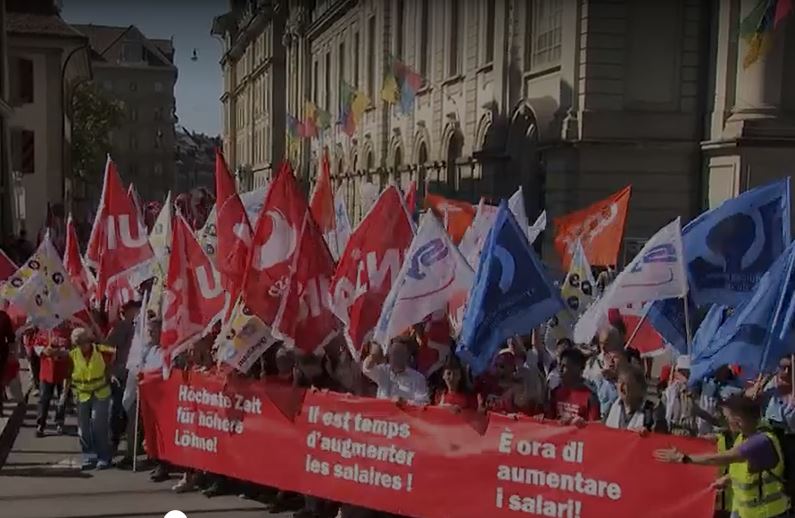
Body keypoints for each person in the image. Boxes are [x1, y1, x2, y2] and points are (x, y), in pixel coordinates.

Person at [655, 394, 791, 518]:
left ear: (738, 421)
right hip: (748, 513)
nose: (725, 421)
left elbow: (724, 457)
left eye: (727, 418)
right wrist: (727, 479)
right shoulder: (744, 436)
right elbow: (747, 471)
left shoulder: (760, 442)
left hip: (770, 514)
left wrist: (683, 458)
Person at [65, 327, 115, 470]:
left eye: (82, 341)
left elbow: (115, 357)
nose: (81, 345)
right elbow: (68, 375)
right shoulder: (72, 355)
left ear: (88, 340)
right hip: (82, 395)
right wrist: (65, 394)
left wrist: (110, 374)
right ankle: (89, 455)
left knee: (99, 424)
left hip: (101, 393)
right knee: (83, 428)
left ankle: (104, 456)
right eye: (77, 343)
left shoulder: (102, 351)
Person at [106, 300, 141, 452]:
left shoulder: (143, 327)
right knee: (117, 408)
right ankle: (113, 441)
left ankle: (133, 445)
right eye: (134, 310)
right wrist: (111, 372)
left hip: (137, 373)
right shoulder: (122, 326)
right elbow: (108, 346)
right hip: (122, 374)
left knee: (134, 412)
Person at [362, 338, 429, 405]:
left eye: (399, 354)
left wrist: (404, 401)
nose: (395, 357)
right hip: (382, 412)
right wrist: (374, 355)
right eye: (393, 354)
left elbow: (423, 402)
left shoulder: (418, 378)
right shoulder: (383, 371)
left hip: (404, 414)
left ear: (407, 356)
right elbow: (367, 368)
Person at [35, 322, 72, 437]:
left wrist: (60, 352)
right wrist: (44, 350)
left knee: (62, 399)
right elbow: (36, 346)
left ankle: (59, 422)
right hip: (46, 372)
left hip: (63, 372)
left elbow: (72, 350)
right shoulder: (44, 332)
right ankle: (41, 424)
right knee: (44, 399)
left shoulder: (68, 332)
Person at [546, 348, 600, 425]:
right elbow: (548, 421)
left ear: (577, 368)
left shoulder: (590, 398)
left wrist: (582, 423)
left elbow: (594, 428)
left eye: (564, 366)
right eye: (560, 365)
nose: (560, 370)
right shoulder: (555, 393)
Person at [604, 365, 666, 433]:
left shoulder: (653, 412)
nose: (622, 388)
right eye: (619, 382)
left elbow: (662, 439)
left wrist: (649, 434)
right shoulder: (612, 407)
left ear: (639, 388)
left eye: (627, 384)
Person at [663, 355, 698, 436]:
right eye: (682, 372)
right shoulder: (669, 392)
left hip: (689, 432)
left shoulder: (694, 392)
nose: (685, 376)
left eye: (687, 373)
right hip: (673, 431)